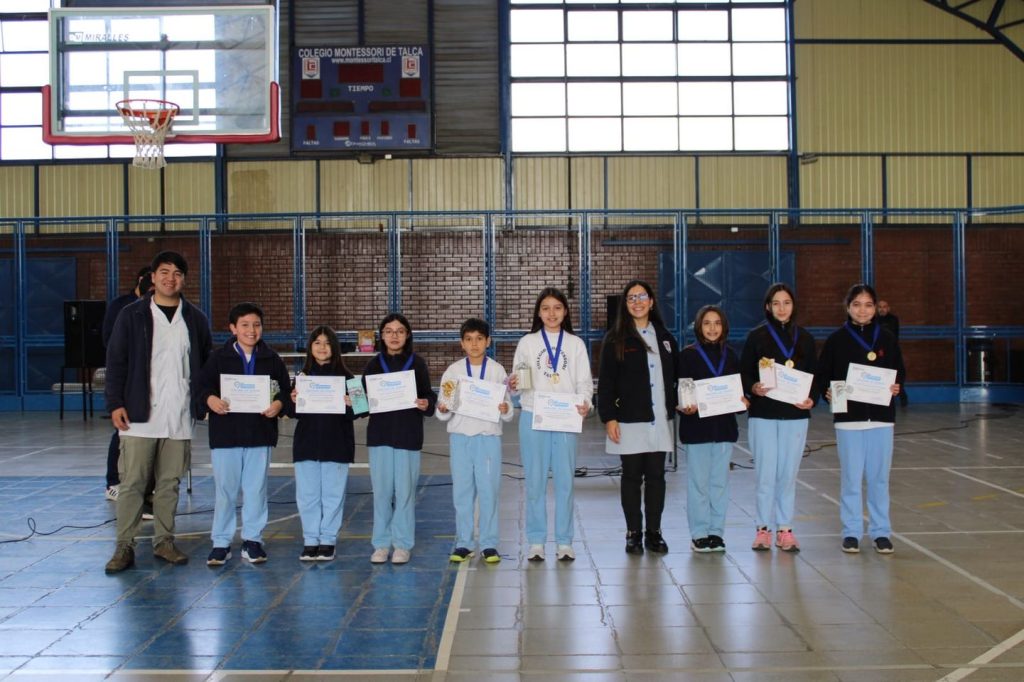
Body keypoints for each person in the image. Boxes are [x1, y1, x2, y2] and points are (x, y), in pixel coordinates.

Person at [103, 251, 212, 573]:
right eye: (164, 272)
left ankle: (164, 541)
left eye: (177, 273)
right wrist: (115, 403)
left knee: (169, 484)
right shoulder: (132, 315)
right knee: (133, 483)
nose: (170, 278)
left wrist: (203, 401)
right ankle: (124, 546)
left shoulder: (195, 319)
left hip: (178, 416)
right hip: (138, 416)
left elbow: (206, 365)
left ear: (184, 279)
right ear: (152, 277)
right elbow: (116, 362)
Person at [194, 302, 291, 566]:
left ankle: (252, 540)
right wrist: (211, 399)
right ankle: (221, 542)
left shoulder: (272, 359)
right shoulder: (218, 358)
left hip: (260, 434)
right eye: (245, 325)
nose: (251, 330)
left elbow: (285, 390)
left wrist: (279, 404)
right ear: (233, 328)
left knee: (255, 490)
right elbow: (201, 387)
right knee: (225, 491)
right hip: (226, 435)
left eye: (257, 325)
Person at [815, 284, 905, 554]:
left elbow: (899, 371)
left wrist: (897, 386)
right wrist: (827, 392)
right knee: (851, 479)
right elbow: (824, 374)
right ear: (848, 307)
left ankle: (881, 532)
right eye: (856, 304)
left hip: (881, 419)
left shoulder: (887, 338)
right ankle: (851, 532)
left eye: (868, 305)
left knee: (879, 479)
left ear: (875, 308)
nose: (862, 310)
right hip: (848, 419)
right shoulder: (836, 340)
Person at [510, 287, 593, 562]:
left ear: (565, 311)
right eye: (545, 308)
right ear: (538, 312)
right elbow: (518, 382)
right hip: (534, 416)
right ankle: (536, 541)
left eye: (557, 307)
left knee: (565, 482)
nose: (551, 313)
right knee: (534, 482)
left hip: (566, 418)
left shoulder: (575, 344)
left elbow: (584, 383)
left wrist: (586, 403)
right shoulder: (527, 342)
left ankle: (564, 541)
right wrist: (514, 384)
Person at [597, 280, 678, 555]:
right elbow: (606, 383)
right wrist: (609, 417)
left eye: (642, 297)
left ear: (651, 302)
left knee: (656, 477)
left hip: (659, 420)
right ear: (625, 304)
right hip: (629, 421)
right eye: (631, 298)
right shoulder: (615, 339)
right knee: (631, 477)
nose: (637, 302)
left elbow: (677, 377)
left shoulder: (665, 338)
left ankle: (654, 532)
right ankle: (633, 532)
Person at [739, 283, 818, 553]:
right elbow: (744, 373)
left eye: (786, 303)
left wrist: (812, 399)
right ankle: (762, 529)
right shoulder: (757, 337)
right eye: (776, 303)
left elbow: (815, 376)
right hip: (763, 414)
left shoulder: (805, 338)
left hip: (795, 415)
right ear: (768, 307)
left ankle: (785, 529)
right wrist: (753, 387)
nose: (782, 308)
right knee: (765, 474)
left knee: (788, 474)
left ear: (793, 306)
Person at [436, 318, 514, 564]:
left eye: (479, 339)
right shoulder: (453, 371)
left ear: (488, 341)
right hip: (460, 438)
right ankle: (464, 542)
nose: (474, 344)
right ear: (462, 343)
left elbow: (507, 406)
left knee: (489, 491)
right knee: (462, 492)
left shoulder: (497, 370)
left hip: (488, 439)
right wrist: (443, 407)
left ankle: (489, 544)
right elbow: (443, 407)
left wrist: (505, 409)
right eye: (469, 339)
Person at [363, 313, 437, 565]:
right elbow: (362, 402)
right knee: (381, 494)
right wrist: (353, 401)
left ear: (407, 335)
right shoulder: (373, 365)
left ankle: (403, 544)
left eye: (399, 331)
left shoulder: (418, 364)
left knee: (405, 493)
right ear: (382, 336)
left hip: (408, 436)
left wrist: (426, 403)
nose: (394, 336)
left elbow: (429, 397)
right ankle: (381, 544)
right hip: (380, 437)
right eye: (389, 331)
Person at [677, 305, 746, 553]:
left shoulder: (732, 356)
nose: (712, 328)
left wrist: (743, 402)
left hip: (724, 430)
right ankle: (699, 533)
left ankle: (716, 532)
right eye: (707, 323)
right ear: (699, 327)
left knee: (719, 484)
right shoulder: (688, 356)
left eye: (717, 323)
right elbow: (682, 392)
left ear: (724, 326)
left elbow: (739, 392)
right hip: (697, 430)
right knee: (699, 484)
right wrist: (685, 406)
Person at [288, 326, 358, 562]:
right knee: (307, 496)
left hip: (337, 445)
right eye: (317, 342)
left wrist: (352, 404)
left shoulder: (349, 378)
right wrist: (293, 400)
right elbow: (290, 412)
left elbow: (364, 408)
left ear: (335, 348)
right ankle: (310, 540)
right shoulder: (301, 378)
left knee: (332, 496)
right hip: (306, 445)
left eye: (327, 343)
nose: (322, 347)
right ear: (310, 347)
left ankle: (328, 540)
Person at [101, 266, 153, 502]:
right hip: (130, 382)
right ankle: (113, 482)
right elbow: (110, 343)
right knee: (122, 430)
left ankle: (147, 487)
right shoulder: (122, 307)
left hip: (153, 384)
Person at [877, 299, 908, 406]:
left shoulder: (893, 319)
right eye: (880, 307)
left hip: (891, 351)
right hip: (878, 352)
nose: (882, 309)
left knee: (896, 374)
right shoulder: (874, 320)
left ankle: (902, 396)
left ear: (888, 308)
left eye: (884, 307)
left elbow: (894, 336)